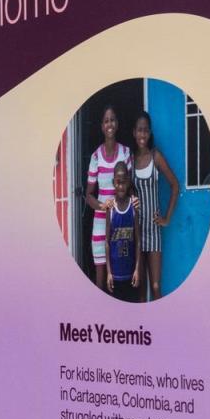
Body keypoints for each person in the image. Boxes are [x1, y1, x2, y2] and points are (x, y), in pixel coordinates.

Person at [130, 111, 178, 300]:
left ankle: (160, 328)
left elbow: (175, 185)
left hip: (154, 231)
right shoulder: (130, 160)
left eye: (146, 131)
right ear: (134, 132)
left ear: (149, 133)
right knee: (140, 287)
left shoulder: (155, 156)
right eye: (139, 130)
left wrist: (166, 218)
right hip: (137, 230)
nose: (142, 135)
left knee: (156, 285)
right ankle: (145, 329)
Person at [83, 104, 131, 292]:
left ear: (117, 124)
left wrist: (127, 204)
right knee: (101, 274)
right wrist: (103, 206)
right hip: (101, 221)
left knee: (122, 269)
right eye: (106, 121)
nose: (109, 124)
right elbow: (88, 195)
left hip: (122, 220)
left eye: (112, 120)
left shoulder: (126, 153)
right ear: (102, 126)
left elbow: (130, 187)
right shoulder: (96, 157)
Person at [104, 161, 143, 302]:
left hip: (131, 274)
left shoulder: (133, 206)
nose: (121, 186)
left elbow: (138, 240)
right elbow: (107, 242)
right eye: (117, 182)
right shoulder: (111, 208)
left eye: (124, 182)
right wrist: (108, 272)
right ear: (113, 182)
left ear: (128, 182)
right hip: (115, 276)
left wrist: (137, 269)